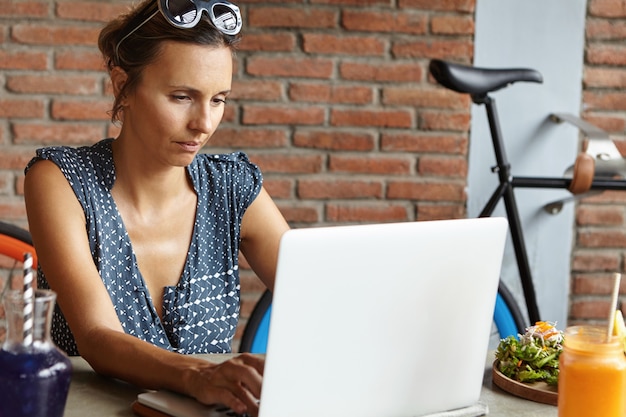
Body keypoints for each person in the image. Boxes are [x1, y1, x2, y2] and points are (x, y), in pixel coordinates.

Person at [23, 1, 289, 415]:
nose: (204, 122)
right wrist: (199, 376)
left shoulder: (233, 187)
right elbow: (96, 335)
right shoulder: (61, 180)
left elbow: (324, 299)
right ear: (121, 85)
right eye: (182, 96)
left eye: (218, 99)